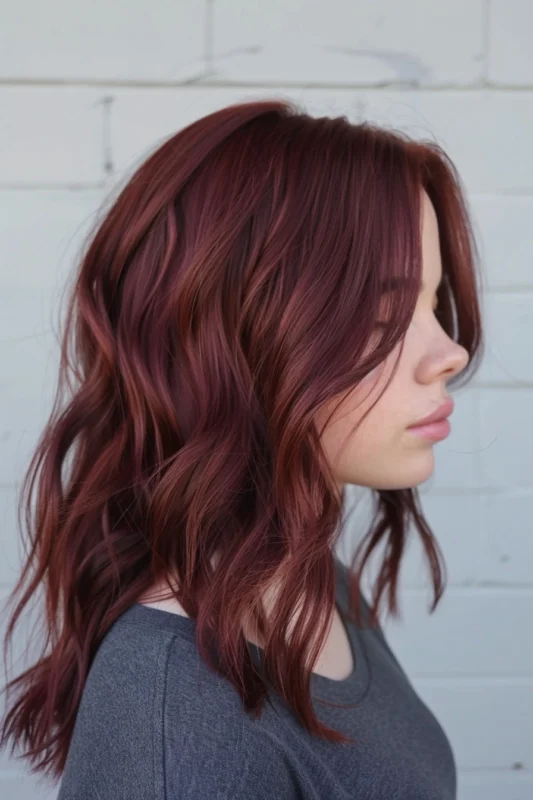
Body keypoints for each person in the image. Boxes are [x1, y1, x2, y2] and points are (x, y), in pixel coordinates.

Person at [0, 98, 483, 799]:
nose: (450, 353)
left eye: (430, 305)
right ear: (237, 338)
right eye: (382, 313)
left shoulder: (315, 585)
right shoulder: (179, 732)